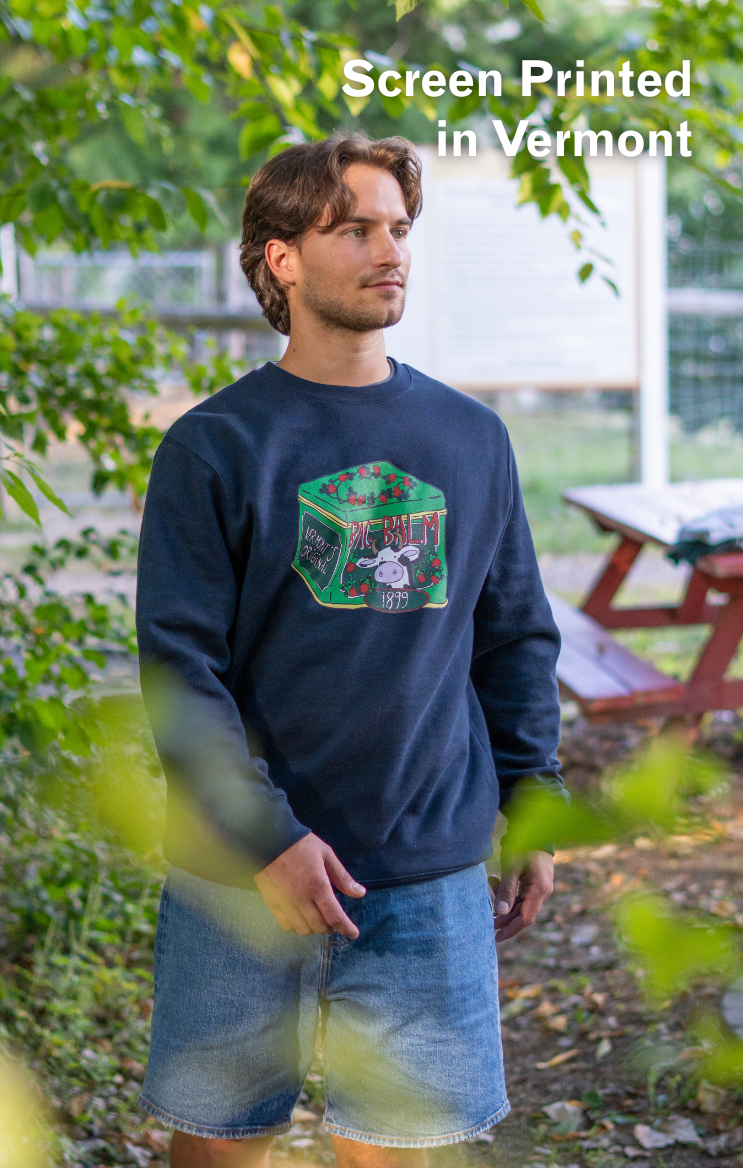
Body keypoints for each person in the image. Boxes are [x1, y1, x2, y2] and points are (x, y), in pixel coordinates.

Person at [136, 132, 566, 1168]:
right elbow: (181, 673)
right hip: (241, 879)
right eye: (356, 228)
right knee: (220, 1147)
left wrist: (533, 800)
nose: (391, 250)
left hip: (423, 868)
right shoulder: (216, 447)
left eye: (400, 228)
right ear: (281, 258)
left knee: (400, 1150)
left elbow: (514, 635)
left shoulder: (470, 438)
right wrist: (266, 837)